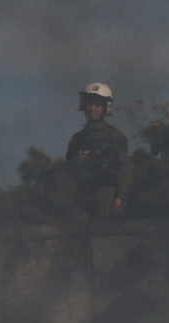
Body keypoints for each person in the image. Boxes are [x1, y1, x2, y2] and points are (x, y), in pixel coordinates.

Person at [66, 81, 131, 221]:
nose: (92, 109)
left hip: (105, 192)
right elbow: (67, 171)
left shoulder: (114, 136)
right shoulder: (77, 139)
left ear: (105, 108)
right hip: (82, 193)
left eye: (97, 105)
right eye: (89, 104)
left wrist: (119, 198)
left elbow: (124, 170)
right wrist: (76, 161)